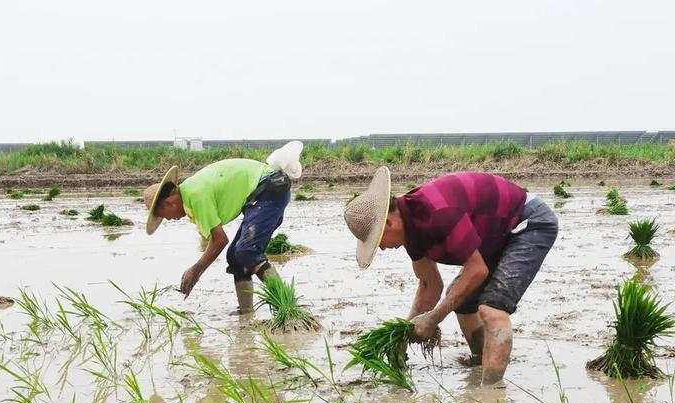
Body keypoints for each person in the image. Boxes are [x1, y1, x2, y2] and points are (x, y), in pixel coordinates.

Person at [343, 167, 558, 385]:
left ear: (389, 223)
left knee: (492, 308)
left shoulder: (436, 213)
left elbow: (477, 270)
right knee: (463, 303)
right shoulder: (410, 228)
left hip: (527, 223)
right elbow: (429, 284)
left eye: (378, 240)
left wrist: (434, 318)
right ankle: (481, 363)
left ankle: (491, 393)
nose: (380, 248)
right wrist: (405, 333)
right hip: (495, 235)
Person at [143, 141, 304, 314]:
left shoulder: (195, 195)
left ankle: (288, 308)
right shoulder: (191, 194)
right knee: (235, 256)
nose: (168, 219)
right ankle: (246, 313)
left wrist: (196, 270)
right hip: (265, 191)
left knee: (247, 251)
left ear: (169, 202)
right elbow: (216, 239)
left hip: (270, 188)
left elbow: (219, 240)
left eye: (163, 215)